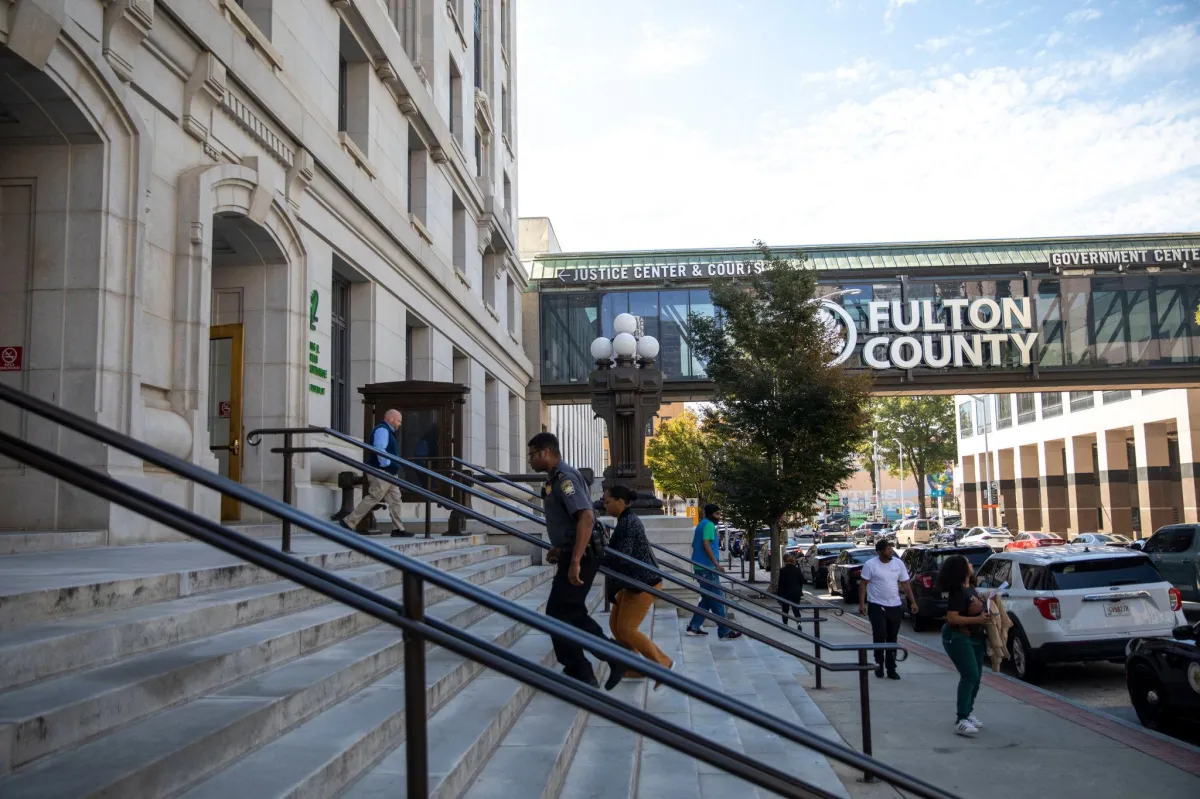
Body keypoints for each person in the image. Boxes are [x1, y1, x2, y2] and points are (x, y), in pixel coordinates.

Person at [528, 432, 618, 688]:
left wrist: (575, 559)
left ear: (545, 452)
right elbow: (570, 520)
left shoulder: (564, 478)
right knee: (572, 612)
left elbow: (586, 518)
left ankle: (582, 668)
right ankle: (608, 661)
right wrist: (561, 548)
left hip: (583, 555)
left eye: (532, 455)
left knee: (558, 613)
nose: (530, 461)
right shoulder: (555, 478)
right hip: (574, 551)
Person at [601, 484, 674, 691]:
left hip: (644, 582)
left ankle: (663, 664)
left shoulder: (629, 523)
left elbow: (622, 556)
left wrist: (599, 559)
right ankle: (635, 666)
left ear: (620, 502)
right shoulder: (625, 520)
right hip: (633, 582)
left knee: (626, 629)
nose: (605, 506)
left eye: (608, 502)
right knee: (616, 626)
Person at [937, 554, 990, 737]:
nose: (971, 564)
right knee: (970, 674)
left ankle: (967, 713)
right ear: (961, 568)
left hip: (974, 635)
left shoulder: (970, 587)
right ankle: (961, 719)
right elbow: (952, 617)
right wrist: (977, 619)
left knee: (976, 676)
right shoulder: (957, 591)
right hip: (958, 637)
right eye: (967, 562)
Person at [340, 409, 409, 537]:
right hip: (381, 471)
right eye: (399, 421)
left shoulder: (388, 431)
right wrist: (387, 465)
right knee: (374, 497)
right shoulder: (382, 430)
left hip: (390, 473)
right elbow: (380, 449)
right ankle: (348, 522)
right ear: (391, 419)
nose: (400, 424)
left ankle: (398, 529)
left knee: (395, 500)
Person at [858, 538, 918, 679]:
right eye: (887, 549)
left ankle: (891, 668)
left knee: (892, 638)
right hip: (876, 605)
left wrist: (913, 602)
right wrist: (862, 604)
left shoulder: (898, 564)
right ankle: (879, 664)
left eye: (891, 548)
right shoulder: (871, 565)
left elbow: (906, 585)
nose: (891, 551)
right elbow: (863, 584)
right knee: (879, 635)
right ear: (880, 552)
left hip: (895, 606)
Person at [685, 504, 742, 640]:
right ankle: (724, 631)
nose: (719, 517)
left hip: (700, 567)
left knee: (706, 599)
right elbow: (705, 544)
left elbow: (694, 544)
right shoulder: (709, 525)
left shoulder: (701, 524)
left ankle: (693, 627)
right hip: (708, 568)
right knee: (717, 599)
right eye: (717, 514)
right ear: (711, 514)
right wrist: (717, 564)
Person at [777, 553, 805, 626]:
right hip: (796, 592)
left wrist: (779, 594)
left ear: (784, 561)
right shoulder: (797, 570)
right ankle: (799, 623)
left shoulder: (783, 570)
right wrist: (799, 589)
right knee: (796, 609)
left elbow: (781, 584)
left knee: (785, 610)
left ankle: (785, 624)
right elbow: (801, 580)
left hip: (786, 593)